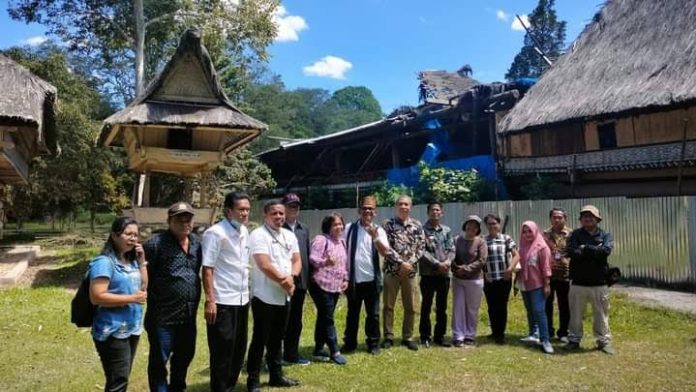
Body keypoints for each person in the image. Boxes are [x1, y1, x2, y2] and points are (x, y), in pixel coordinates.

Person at [144, 202, 202, 392]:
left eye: (188, 218)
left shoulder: (196, 243)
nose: (185, 222)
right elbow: (143, 273)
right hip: (162, 316)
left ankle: (178, 387)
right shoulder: (156, 244)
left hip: (188, 314)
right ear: (169, 221)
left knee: (185, 356)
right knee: (159, 361)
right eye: (179, 218)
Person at [247, 200, 302, 392]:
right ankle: (253, 381)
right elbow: (264, 264)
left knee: (278, 338)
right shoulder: (258, 235)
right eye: (274, 214)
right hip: (264, 295)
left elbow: (297, 260)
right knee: (260, 338)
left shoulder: (289, 235)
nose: (279, 217)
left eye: (281, 213)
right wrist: (284, 281)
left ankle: (276, 376)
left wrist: (292, 277)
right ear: (265, 215)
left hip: (284, 295)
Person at [89, 216, 147, 392]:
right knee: (118, 380)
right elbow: (97, 297)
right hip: (112, 331)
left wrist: (142, 259)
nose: (133, 238)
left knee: (121, 377)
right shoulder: (104, 262)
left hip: (132, 328)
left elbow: (143, 286)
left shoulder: (131, 261)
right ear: (114, 236)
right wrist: (131, 298)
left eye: (136, 235)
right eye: (128, 234)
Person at [202, 192, 252, 392]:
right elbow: (207, 268)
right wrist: (210, 300)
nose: (245, 213)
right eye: (241, 209)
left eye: (247, 209)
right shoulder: (215, 233)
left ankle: (229, 385)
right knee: (222, 349)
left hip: (242, 298)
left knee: (239, 347)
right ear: (229, 210)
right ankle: (220, 387)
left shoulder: (244, 231)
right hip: (223, 299)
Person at [342, 195, 390, 355]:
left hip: (372, 280)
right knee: (352, 314)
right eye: (364, 208)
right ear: (359, 210)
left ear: (375, 212)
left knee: (374, 315)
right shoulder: (349, 228)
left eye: (371, 208)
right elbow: (341, 250)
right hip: (353, 280)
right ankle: (349, 343)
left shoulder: (379, 230)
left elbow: (385, 252)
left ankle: (373, 344)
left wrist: (375, 237)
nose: (367, 211)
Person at [564, 205, 615, 355]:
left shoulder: (605, 235)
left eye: (590, 216)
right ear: (581, 219)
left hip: (599, 282)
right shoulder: (574, 235)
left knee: (601, 314)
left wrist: (585, 247)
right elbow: (572, 252)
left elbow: (605, 251)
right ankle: (574, 340)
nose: (587, 218)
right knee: (575, 314)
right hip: (578, 282)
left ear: (597, 219)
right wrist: (594, 251)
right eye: (584, 216)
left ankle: (603, 342)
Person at [381, 195, 426, 351]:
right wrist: (401, 263)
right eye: (400, 204)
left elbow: (421, 247)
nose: (403, 207)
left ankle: (408, 337)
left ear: (410, 207)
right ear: (396, 206)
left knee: (411, 306)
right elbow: (385, 248)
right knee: (388, 306)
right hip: (391, 271)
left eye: (406, 204)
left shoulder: (417, 225)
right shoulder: (387, 225)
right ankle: (388, 336)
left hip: (410, 272)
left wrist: (409, 263)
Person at [308, 213, 349, 365]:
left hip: (335, 286)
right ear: (328, 227)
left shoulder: (342, 243)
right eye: (335, 225)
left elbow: (343, 265)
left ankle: (319, 348)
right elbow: (313, 258)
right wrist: (325, 262)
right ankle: (334, 350)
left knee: (324, 316)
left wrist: (346, 279)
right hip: (320, 285)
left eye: (340, 224)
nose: (339, 227)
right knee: (328, 318)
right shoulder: (321, 240)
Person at [417, 202, 455, 348]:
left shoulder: (446, 230)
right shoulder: (421, 230)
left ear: (442, 213)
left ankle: (440, 336)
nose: (435, 212)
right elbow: (421, 251)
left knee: (442, 307)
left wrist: (447, 262)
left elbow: (452, 248)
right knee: (426, 306)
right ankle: (424, 336)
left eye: (438, 210)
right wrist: (436, 264)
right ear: (428, 212)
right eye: (432, 210)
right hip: (428, 275)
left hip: (444, 275)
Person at [280, 193, 312, 366]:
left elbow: (307, 255)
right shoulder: (277, 227)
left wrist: (309, 280)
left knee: (295, 321)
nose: (294, 208)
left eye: (296, 206)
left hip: (300, 283)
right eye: (290, 205)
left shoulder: (304, 229)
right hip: (282, 282)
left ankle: (291, 354)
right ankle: (275, 355)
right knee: (280, 320)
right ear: (283, 207)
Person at [451, 215, 487, 347]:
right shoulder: (456, 240)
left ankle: (470, 335)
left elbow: (482, 260)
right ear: (465, 225)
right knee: (458, 307)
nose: (471, 227)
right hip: (458, 279)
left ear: (478, 229)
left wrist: (466, 269)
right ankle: (458, 336)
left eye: (475, 225)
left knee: (472, 308)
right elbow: (451, 256)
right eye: (469, 224)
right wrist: (456, 269)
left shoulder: (480, 242)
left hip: (475, 280)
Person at [482, 213, 519, 344]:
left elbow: (516, 255)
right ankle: (494, 332)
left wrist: (510, 269)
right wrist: (483, 274)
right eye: (489, 224)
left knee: (502, 306)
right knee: (491, 306)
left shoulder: (506, 239)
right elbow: (480, 260)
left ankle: (500, 334)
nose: (492, 226)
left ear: (499, 224)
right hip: (489, 279)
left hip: (504, 278)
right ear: (486, 226)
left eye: (494, 223)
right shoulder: (482, 240)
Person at [518, 221, 553, 354]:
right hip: (524, 284)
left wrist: (547, 284)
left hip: (538, 285)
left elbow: (546, 268)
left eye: (529, 231)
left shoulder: (541, 247)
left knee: (539, 311)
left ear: (535, 231)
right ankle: (534, 334)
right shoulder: (522, 246)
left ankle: (545, 340)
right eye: (524, 231)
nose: (527, 234)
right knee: (530, 310)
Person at [543, 208, 572, 343]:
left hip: (565, 274)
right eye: (554, 217)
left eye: (560, 217)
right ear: (550, 219)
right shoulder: (545, 234)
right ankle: (548, 331)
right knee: (547, 304)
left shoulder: (571, 234)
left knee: (564, 305)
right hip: (549, 274)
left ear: (565, 218)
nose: (557, 219)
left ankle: (563, 332)